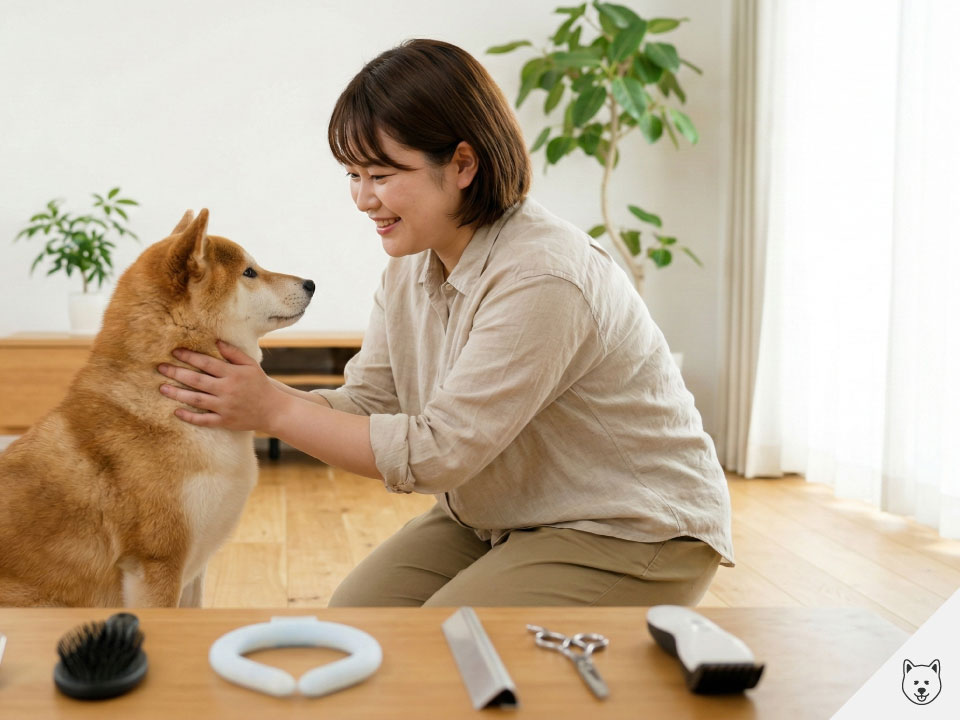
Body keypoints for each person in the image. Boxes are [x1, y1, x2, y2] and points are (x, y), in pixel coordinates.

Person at [155, 38, 733, 607]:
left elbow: (439, 454)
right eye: (352, 175)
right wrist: (247, 395)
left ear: (462, 164)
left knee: (438, 653)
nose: (361, 198)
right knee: (357, 620)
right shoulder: (410, 267)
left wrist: (270, 408)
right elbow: (373, 402)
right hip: (501, 513)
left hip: (629, 529)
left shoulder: (543, 277)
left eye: (380, 175)